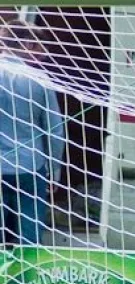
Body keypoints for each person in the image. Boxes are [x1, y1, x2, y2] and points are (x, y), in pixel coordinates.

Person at [0, 20, 65, 245]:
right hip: (30, 167)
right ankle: (27, 278)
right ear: (26, 43)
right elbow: (55, 129)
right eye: (38, 46)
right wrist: (54, 169)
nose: (43, 53)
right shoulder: (40, 80)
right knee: (30, 239)